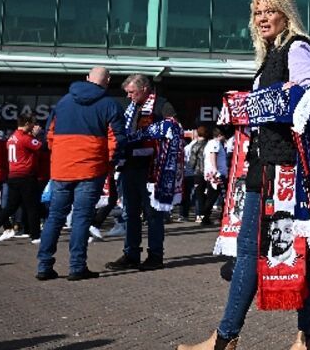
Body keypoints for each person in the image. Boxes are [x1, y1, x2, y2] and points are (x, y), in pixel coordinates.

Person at [179, 0, 310, 350]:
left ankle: (225, 340)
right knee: (291, 250)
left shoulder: (297, 48)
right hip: (267, 164)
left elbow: (309, 94)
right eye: (257, 13)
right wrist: (241, 110)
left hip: (284, 170)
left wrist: (260, 102)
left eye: (270, 11)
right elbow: (271, 108)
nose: (263, 18)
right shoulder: (270, 56)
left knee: (251, 253)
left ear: (286, 13)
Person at [36, 66, 127, 281]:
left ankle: (44, 266)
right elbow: (117, 140)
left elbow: (49, 136)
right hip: (91, 167)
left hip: (61, 167)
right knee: (82, 218)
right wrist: (109, 160)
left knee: (55, 217)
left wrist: (60, 154)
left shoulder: (64, 102)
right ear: (108, 81)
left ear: (87, 78)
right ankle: (77, 267)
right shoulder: (110, 104)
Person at [106, 74, 179, 272]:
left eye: (132, 92)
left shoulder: (162, 106)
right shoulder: (130, 108)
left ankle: (155, 255)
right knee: (130, 213)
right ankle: (131, 254)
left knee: (153, 214)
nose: (129, 96)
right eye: (127, 93)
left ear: (145, 88)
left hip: (151, 168)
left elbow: (173, 131)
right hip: (129, 166)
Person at [0, 111, 45, 245]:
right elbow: (40, 146)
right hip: (26, 176)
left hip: (13, 176)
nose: (35, 126)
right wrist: (37, 135)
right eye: (33, 123)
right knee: (32, 206)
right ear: (27, 124)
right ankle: (35, 236)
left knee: (10, 208)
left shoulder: (12, 137)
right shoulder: (25, 138)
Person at [197, 127, 229, 225]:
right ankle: (206, 217)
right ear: (220, 135)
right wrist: (215, 170)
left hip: (214, 173)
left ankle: (206, 217)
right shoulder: (215, 143)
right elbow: (213, 155)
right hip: (216, 175)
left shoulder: (212, 143)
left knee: (213, 196)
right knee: (214, 197)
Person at [183, 127, 208, 221]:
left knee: (198, 194)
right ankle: (204, 214)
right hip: (208, 171)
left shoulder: (195, 146)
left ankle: (199, 215)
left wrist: (191, 169)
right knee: (206, 194)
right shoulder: (209, 144)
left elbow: (192, 162)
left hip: (197, 172)